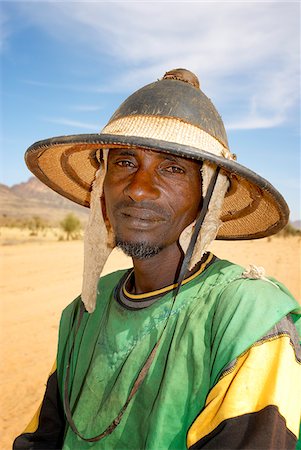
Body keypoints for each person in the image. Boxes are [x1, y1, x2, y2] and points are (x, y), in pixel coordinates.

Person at [14, 68, 301, 450]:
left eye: (173, 168)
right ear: (100, 185)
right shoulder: (84, 311)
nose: (139, 189)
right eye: (125, 162)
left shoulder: (248, 321)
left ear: (208, 197)